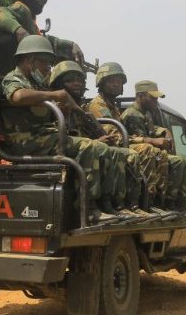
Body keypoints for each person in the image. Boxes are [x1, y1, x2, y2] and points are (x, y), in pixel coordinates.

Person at [0, 35, 115, 223]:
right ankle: (86, 209)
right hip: (25, 141)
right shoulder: (14, 78)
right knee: (89, 147)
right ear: (29, 60)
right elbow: (17, 97)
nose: (48, 68)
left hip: (44, 138)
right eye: (45, 63)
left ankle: (105, 204)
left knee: (100, 147)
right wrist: (56, 95)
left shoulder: (36, 83)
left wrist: (58, 108)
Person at [48, 61, 145, 220]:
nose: (77, 83)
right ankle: (90, 207)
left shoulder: (82, 108)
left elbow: (88, 133)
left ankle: (116, 204)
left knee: (122, 153)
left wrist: (99, 139)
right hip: (61, 151)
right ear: (59, 84)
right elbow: (59, 135)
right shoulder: (53, 106)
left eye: (80, 79)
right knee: (99, 148)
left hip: (82, 148)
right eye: (71, 80)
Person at [86, 63, 169, 214]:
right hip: (106, 148)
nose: (117, 84)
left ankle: (151, 202)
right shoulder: (97, 105)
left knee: (159, 153)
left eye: (120, 81)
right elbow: (115, 137)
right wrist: (147, 141)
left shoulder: (113, 107)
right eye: (113, 81)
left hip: (115, 146)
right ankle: (132, 204)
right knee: (146, 149)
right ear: (102, 83)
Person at [121, 80, 186, 211]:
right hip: (137, 154)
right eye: (152, 97)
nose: (155, 101)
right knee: (155, 152)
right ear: (140, 96)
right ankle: (150, 201)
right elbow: (139, 138)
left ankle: (170, 201)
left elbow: (151, 129)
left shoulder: (146, 113)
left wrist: (164, 131)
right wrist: (155, 141)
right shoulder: (131, 114)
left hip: (147, 152)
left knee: (179, 161)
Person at [0, 0, 83, 64]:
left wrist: (71, 44)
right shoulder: (21, 8)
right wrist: (20, 31)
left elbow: (44, 39)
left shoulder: (30, 18)